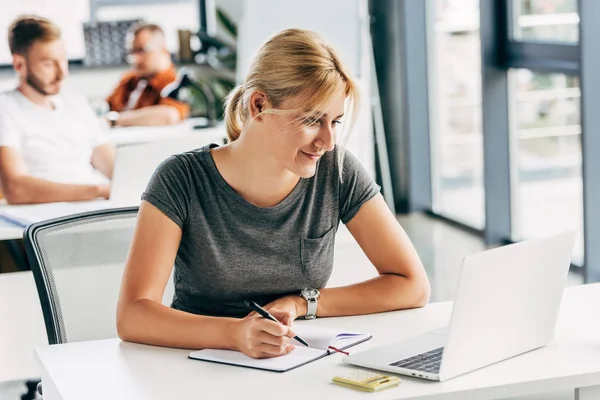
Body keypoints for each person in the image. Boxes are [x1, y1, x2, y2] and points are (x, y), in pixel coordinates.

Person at [117, 28, 430, 359]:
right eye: (312, 120)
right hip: (198, 366)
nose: (328, 141)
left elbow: (411, 284)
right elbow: (133, 315)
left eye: (335, 122)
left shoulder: (336, 170)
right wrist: (236, 334)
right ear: (259, 105)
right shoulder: (180, 178)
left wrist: (302, 303)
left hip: (295, 362)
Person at [0, 16, 114, 204]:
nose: (62, 73)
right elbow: (16, 188)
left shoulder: (76, 103)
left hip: (93, 212)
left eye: (63, 60)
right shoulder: (5, 109)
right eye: (48, 64)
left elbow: (115, 168)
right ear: (20, 65)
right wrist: (97, 190)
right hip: (45, 222)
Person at [105, 24, 189, 127]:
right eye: (132, 52)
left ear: (163, 50)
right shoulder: (129, 80)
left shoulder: (173, 83)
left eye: (141, 50)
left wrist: (115, 120)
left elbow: (169, 115)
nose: (135, 59)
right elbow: (105, 106)